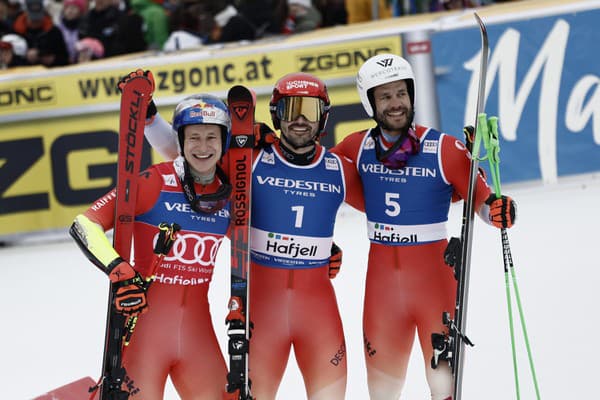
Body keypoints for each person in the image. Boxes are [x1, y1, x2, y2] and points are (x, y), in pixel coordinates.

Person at [143, 71, 364, 399]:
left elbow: (400, 203)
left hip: (319, 315)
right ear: (275, 114)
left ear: (325, 118)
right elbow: (185, 155)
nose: (300, 119)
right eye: (290, 109)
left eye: (311, 110)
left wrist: (462, 173)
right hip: (262, 314)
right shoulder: (250, 159)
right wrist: (148, 117)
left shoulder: (339, 169)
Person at [331, 53, 517, 400]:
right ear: (369, 102)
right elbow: (316, 176)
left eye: (401, 93)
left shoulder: (445, 148)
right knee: (383, 392)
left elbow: (483, 201)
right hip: (382, 292)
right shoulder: (356, 148)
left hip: (435, 284)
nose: (396, 103)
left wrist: (499, 211)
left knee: (445, 389)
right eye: (385, 96)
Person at [70, 84, 234, 399]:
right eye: (194, 137)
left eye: (212, 136)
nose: (203, 146)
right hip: (143, 335)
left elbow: (256, 241)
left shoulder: (227, 197)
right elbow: (84, 224)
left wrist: (325, 249)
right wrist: (119, 270)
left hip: (197, 337)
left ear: (224, 141)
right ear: (181, 140)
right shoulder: (154, 181)